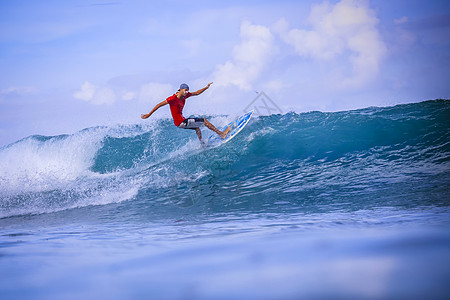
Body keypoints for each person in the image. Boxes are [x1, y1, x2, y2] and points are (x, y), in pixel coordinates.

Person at [141, 82, 230, 143]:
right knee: (204, 121)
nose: (187, 92)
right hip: (181, 122)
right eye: (185, 90)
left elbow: (197, 93)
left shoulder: (185, 95)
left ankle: (202, 144)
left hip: (181, 122)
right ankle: (222, 134)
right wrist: (148, 115)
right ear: (180, 90)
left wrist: (206, 87)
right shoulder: (172, 99)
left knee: (197, 128)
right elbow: (158, 105)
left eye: (187, 90)